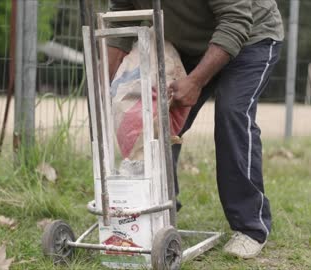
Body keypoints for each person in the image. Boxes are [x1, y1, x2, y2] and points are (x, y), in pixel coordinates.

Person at [107, 0, 284, 259]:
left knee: (232, 113)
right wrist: (107, 79)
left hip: (250, 38)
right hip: (189, 46)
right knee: (158, 116)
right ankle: (160, 212)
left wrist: (196, 81)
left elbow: (236, 21)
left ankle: (251, 227)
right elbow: (123, 13)